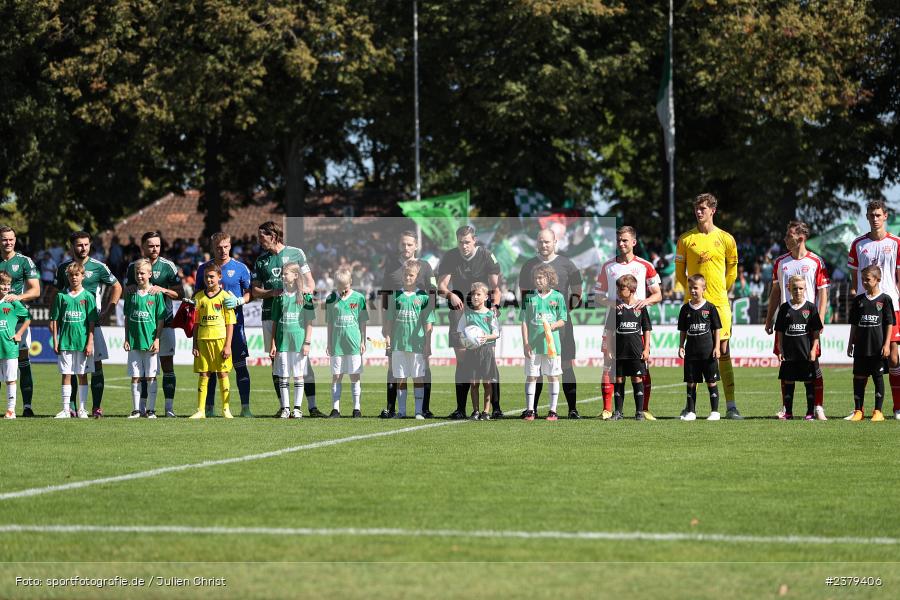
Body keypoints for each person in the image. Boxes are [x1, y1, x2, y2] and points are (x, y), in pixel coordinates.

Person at [675, 194, 742, 419]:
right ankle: (690, 406)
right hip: (693, 305)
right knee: (693, 353)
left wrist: (720, 290)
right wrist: (694, 294)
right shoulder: (685, 239)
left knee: (722, 352)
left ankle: (730, 406)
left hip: (719, 303)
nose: (698, 212)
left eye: (703, 208)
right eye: (696, 208)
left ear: (713, 210)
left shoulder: (726, 238)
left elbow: (732, 272)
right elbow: (679, 275)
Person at [252, 221, 321, 417]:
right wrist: (272, 292)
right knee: (276, 362)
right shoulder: (261, 260)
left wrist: (304, 292)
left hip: (296, 317)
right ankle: (284, 407)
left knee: (303, 363)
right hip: (271, 315)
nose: (259, 241)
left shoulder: (296, 253)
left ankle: (312, 406)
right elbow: (255, 290)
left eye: (262, 237)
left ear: (273, 236)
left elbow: (310, 282)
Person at [593, 226, 662, 419]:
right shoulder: (608, 267)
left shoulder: (645, 266)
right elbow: (598, 297)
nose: (621, 243)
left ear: (634, 242)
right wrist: (612, 303)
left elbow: (658, 294)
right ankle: (608, 409)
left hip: (635, 324)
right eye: (618, 240)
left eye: (625, 240)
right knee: (609, 364)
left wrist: (645, 301)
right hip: (614, 324)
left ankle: (644, 409)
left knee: (642, 365)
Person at [764, 221, 830, 420]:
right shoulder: (781, 262)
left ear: (800, 238)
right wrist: (769, 319)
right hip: (786, 322)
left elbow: (823, 293)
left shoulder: (816, 262)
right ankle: (787, 409)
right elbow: (775, 293)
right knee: (785, 364)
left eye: (789, 235)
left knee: (814, 364)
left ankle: (817, 406)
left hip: (808, 323)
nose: (785, 239)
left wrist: (820, 318)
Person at [52, 231, 122, 417]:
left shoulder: (98, 267)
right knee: (71, 368)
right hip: (70, 325)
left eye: (86, 244)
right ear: (72, 247)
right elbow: (56, 294)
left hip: (91, 325)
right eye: (79, 245)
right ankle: (72, 408)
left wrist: (108, 310)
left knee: (96, 365)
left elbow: (117, 286)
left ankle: (96, 407)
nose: (83, 248)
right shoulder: (63, 268)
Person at [518, 228, 584, 418]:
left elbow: (578, 291)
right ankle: (532, 409)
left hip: (560, 328)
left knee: (565, 365)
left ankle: (572, 409)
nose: (543, 245)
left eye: (547, 241)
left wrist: (563, 313)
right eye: (540, 241)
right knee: (535, 368)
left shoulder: (567, 265)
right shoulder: (528, 266)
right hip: (535, 328)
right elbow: (524, 294)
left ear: (555, 242)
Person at [438, 226, 502, 419]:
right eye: (460, 242)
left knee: (487, 361)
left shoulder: (487, 256)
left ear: (474, 240)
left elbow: (496, 288)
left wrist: (495, 307)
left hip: (482, 312)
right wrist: (450, 295)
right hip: (459, 311)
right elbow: (441, 286)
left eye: (467, 242)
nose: (463, 246)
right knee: (463, 361)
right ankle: (461, 409)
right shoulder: (450, 257)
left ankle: (495, 409)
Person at [847, 200, 900, 419]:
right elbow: (854, 277)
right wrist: (856, 294)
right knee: (863, 356)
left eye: (878, 215)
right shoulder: (858, 244)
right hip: (865, 307)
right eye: (871, 215)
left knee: (894, 357)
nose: (875, 218)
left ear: (885, 216)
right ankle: (860, 408)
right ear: (867, 217)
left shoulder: (896, 242)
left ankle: (897, 407)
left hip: (891, 305)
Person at [379, 231, 437, 419]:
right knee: (395, 370)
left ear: (416, 246)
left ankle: (423, 408)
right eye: (403, 244)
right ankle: (392, 408)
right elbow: (385, 297)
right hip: (397, 329)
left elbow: (432, 294)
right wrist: (384, 324)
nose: (406, 248)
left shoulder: (426, 266)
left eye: (410, 244)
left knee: (421, 370)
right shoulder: (391, 267)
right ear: (399, 245)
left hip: (418, 329)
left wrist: (428, 324)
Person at [124, 232, 182, 417]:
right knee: (142, 370)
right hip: (143, 326)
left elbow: (179, 293)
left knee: (166, 365)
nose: (154, 249)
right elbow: (129, 289)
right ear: (143, 247)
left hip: (166, 323)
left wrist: (163, 289)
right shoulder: (133, 267)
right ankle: (141, 408)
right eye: (150, 246)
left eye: (157, 245)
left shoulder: (168, 266)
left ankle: (169, 408)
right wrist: (129, 288)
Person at [198, 232, 254, 417]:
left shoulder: (240, 268)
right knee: (211, 369)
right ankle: (209, 408)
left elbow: (250, 293)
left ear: (231, 246)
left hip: (234, 326)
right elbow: (198, 296)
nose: (223, 250)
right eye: (218, 247)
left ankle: (245, 408)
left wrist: (239, 301)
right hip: (211, 328)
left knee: (239, 365)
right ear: (212, 247)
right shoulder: (204, 269)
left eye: (226, 246)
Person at [0, 226, 41, 416]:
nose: (8, 243)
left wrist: (18, 297)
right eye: (4, 239)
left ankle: (27, 407)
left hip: (17, 319)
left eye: (11, 239)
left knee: (23, 359)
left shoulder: (24, 261)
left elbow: (36, 290)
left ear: (15, 240)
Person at [49, 262, 97, 419]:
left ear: (83, 276)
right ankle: (66, 409)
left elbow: (91, 322)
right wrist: (55, 340)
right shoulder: (61, 296)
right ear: (67, 277)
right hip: (65, 342)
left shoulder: (89, 296)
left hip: (82, 343)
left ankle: (82, 409)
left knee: (82, 375)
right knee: (66, 374)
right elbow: (55, 320)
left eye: (77, 275)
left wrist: (90, 342)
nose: (74, 278)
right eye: (71, 275)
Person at [846, 265, 894, 422]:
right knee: (858, 377)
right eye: (862, 279)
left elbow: (889, 323)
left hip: (877, 348)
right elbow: (854, 323)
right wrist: (850, 342)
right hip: (861, 346)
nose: (864, 282)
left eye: (868, 279)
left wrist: (887, 344)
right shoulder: (859, 300)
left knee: (878, 377)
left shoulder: (885, 299)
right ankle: (858, 410)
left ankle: (878, 411)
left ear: (877, 280)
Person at [520, 265, 568, 421]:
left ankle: (553, 411)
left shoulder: (558, 297)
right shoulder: (529, 297)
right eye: (535, 278)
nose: (537, 280)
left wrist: (553, 325)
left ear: (549, 278)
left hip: (551, 345)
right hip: (533, 346)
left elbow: (563, 319)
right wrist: (526, 343)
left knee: (553, 376)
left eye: (541, 277)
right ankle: (530, 410)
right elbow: (524, 322)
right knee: (531, 376)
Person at [269, 263, 315, 419]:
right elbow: (275, 321)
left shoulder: (305, 296)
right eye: (282, 274)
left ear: (296, 276)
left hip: (298, 343)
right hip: (282, 343)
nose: (283, 276)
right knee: (283, 376)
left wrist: (307, 342)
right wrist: (273, 343)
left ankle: (297, 408)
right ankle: (285, 408)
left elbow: (309, 322)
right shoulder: (279, 298)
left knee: (298, 375)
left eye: (286, 273)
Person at [189, 264, 235, 419]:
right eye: (206, 277)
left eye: (212, 276)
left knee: (223, 373)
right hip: (203, 339)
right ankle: (200, 410)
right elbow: (195, 323)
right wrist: (194, 343)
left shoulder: (226, 297)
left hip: (220, 340)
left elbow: (230, 323)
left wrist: (228, 345)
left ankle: (226, 409)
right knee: (204, 374)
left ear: (219, 277)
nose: (209, 279)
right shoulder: (198, 297)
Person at [774, 276, 823, 420]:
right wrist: (780, 348)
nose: (798, 291)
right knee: (789, 381)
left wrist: (814, 349)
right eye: (794, 288)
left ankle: (809, 412)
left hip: (806, 353)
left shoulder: (811, 307)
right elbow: (780, 331)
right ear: (789, 288)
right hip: (789, 353)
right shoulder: (784, 308)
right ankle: (788, 412)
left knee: (809, 382)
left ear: (805, 289)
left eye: (801, 288)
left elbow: (815, 332)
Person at [604, 274, 651, 420]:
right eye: (617, 288)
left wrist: (646, 348)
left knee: (637, 379)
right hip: (619, 351)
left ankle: (639, 412)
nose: (618, 291)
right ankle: (618, 412)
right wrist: (610, 349)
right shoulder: (615, 308)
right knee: (618, 379)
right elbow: (610, 331)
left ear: (631, 289)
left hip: (636, 350)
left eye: (621, 288)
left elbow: (646, 329)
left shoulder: (640, 307)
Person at [123, 259, 165, 418]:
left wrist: (157, 339)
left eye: (142, 273)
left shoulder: (156, 294)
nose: (139, 276)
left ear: (150, 274)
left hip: (150, 342)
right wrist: (126, 338)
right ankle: (136, 410)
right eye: (137, 273)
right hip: (134, 341)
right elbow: (127, 317)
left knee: (151, 376)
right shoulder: (130, 293)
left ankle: (151, 410)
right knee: (135, 376)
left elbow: (160, 319)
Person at [677, 274, 722, 421]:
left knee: (711, 381)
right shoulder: (685, 309)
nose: (693, 291)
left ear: (704, 289)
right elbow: (683, 330)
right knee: (691, 382)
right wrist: (681, 346)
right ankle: (691, 412)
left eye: (696, 288)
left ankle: (715, 411)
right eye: (690, 288)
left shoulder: (710, 308)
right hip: (691, 352)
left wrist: (717, 347)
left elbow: (717, 329)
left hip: (708, 352)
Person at [325, 269, 368, 418]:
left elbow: (363, 322)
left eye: (345, 285)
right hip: (337, 344)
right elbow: (329, 323)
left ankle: (357, 408)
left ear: (350, 282)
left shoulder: (359, 298)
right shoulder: (331, 299)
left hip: (354, 343)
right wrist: (329, 343)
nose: (343, 289)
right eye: (339, 286)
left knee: (355, 375)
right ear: (335, 284)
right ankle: (335, 409)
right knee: (337, 375)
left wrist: (363, 341)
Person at [457, 282, 500, 420]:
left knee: (487, 383)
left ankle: (486, 411)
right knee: (474, 383)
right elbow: (460, 331)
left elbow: (496, 333)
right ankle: (475, 411)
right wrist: (465, 340)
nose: (475, 297)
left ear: (486, 297)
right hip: (472, 352)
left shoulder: (489, 314)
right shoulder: (467, 314)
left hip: (486, 351)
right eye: (473, 294)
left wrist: (485, 337)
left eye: (478, 294)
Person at [0, 271, 31, 419]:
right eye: (2, 284)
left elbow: (27, 318)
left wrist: (19, 334)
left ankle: (11, 410)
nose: (5, 287)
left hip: (9, 347)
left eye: (7, 284)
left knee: (10, 379)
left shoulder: (13, 302)